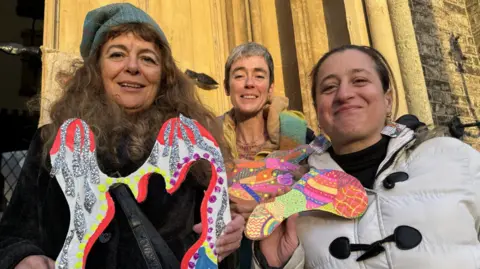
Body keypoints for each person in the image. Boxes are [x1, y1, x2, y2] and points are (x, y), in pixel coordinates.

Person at [0, 3, 244, 269]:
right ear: (96, 70)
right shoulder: (52, 141)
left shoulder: (190, 150)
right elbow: (13, 233)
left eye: (148, 58)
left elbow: (213, 244)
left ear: (163, 76)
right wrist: (22, 257)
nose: (132, 67)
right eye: (117, 54)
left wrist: (228, 236)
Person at [252, 45, 480, 268]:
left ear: (387, 98)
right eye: (329, 87)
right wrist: (278, 264)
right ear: (318, 110)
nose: (344, 94)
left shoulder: (452, 158)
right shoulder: (295, 193)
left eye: (360, 80)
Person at [219, 42, 315, 269]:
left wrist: (269, 207)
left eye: (259, 76)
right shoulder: (209, 139)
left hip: (284, 257)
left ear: (270, 87)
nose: (249, 84)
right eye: (239, 75)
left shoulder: (298, 135)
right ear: (226, 86)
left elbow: (317, 193)